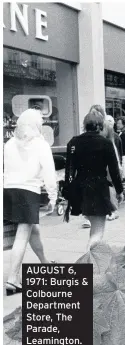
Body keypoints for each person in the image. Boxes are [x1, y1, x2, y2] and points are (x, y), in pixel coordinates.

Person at [4, 109, 58, 295]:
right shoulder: (40, 144)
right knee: (23, 233)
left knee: (32, 229)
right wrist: (53, 195)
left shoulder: (9, 143)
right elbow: (49, 172)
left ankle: (45, 262)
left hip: (9, 189)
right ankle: (12, 279)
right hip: (28, 191)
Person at [63, 109, 124, 251]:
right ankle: (89, 262)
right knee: (98, 232)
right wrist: (119, 191)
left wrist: (68, 192)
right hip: (98, 188)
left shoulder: (73, 142)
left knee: (93, 229)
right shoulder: (105, 143)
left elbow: (69, 170)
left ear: (85, 125)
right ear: (100, 125)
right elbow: (114, 170)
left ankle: (93, 263)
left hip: (80, 188)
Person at [101, 119, 123, 221]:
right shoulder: (109, 141)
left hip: (107, 169)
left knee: (109, 188)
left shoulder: (110, 141)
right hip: (106, 169)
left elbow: (116, 159)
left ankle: (113, 210)